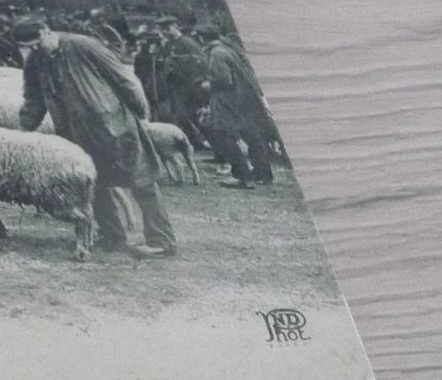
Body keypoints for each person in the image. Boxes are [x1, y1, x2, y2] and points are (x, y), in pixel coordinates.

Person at [15, 16, 177, 257]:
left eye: (38, 43)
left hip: (114, 127)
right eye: (29, 48)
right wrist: (24, 129)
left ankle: (161, 240)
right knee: (93, 184)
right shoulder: (35, 62)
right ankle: (112, 236)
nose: (35, 50)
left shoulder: (84, 46)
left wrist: (141, 113)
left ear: (47, 31)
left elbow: (124, 79)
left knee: (141, 180)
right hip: (75, 133)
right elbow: (34, 98)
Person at [197, 24, 274, 189]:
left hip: (227, 101)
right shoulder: (228, 49)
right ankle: (263, 174)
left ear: (202, 38)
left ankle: (243, 177)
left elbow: (224, 80)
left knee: (223, 135)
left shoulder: (216, 53)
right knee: (252, 136)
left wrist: (206, 85)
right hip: (243, 100)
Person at [157, 16, 209, 150]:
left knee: (198, 116)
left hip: (191, 85)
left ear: (175, 26)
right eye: (162, 29)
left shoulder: (187, 42)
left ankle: (215, 144)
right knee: (182, 116)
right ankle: (196, 143)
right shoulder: (168, 44)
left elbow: (201, 61)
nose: (164, 32)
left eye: (167, 28)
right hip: (177, 86)